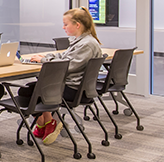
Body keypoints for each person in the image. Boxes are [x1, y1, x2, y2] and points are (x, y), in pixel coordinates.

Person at [25, 7, 104, 144]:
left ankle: (48, 123)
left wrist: (44, 60)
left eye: (66, 24)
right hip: (74, 86)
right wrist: (46, 56)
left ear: (77, 25)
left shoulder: (86, 44)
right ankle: (44, 124)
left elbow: (67, 66)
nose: (63, 27)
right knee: (34, 89)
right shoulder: (82, 41)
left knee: (29, 92)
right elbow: (64, 56)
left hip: (72, 89)